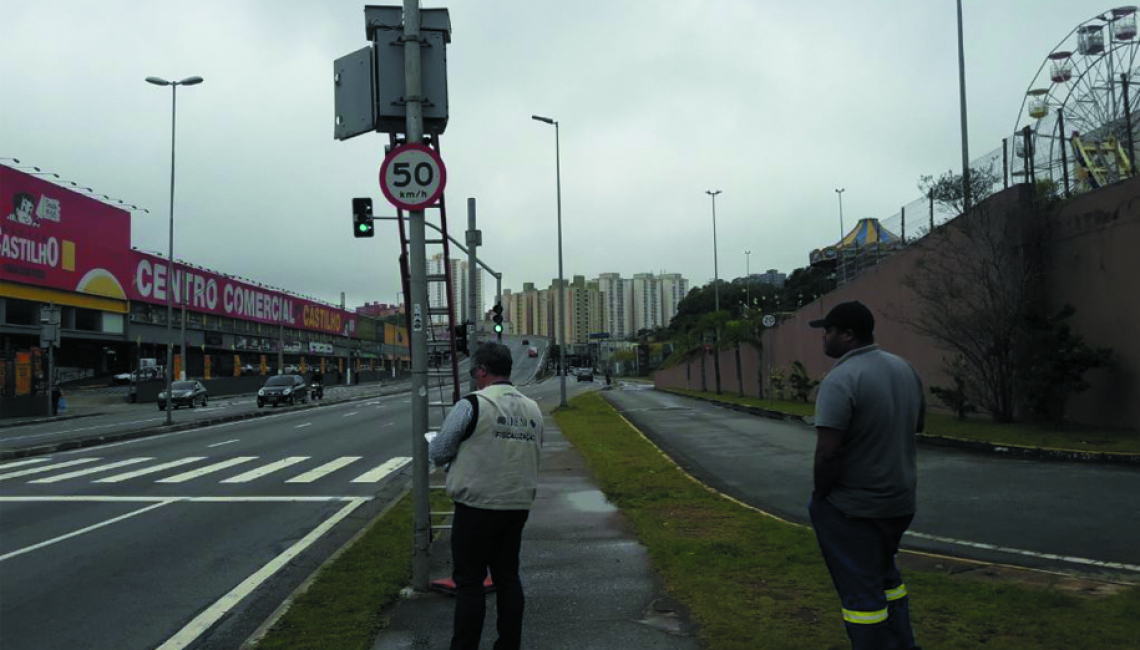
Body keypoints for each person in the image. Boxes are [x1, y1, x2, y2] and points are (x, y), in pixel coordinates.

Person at [807, 300, 925, 650]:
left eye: (827, 332)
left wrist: (822, 496)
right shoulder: (904, 368)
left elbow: (828, 453)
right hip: (900, 503)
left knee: (862, 598)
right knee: (888, 580)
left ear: (847, 335)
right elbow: (917, 424)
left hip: (854, 509)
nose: (823, 339)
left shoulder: (841, 379)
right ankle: (903, 644)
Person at [429, 342, 544, 650]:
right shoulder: (533, 409)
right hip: (517, 505)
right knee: (508, 578)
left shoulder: (472, 405)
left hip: (477, 506)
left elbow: (439, 452)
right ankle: (509, 645)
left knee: (470, 583)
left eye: (473, 372)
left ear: (481, 371)